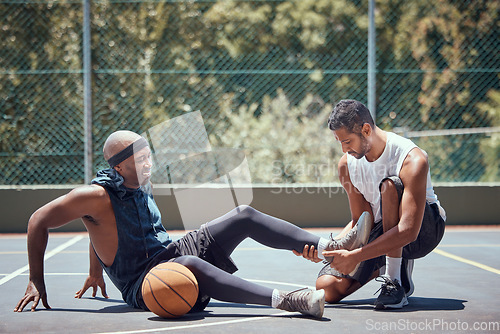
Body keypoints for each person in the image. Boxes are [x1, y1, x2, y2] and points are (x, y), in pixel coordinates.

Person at [14, 130, 371, 319]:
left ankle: (333, 247)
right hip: (144, 281)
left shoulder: (135, 182)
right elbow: (38, 219)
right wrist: (35, 279)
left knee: (242, 214)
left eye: (149, 156)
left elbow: (98, 229)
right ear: (118, 166)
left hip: (169, 252)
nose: (149, 164)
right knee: (187, 264)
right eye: (140, 159)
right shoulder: (94, 194)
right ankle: (289, 301)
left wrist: (95, 271)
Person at [298, 100, 446, 309]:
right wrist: (327, 248)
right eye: (339, 142)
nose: (344, 149)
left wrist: (356, 257)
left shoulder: (411, 157)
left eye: (347, 141)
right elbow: (361, 222)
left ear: (366, 129)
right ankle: (384, 261)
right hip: (381, 229)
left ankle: (394, 280)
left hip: (423, 231)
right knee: (327, 288)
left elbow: (409, 231)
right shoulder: (346, 166)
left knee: (389, 187)